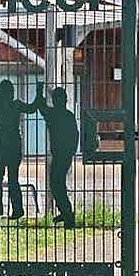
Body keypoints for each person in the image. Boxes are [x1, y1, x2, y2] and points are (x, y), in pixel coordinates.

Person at [0, 59, 43, 220]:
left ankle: (3, 211)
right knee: (9, 180)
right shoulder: (14, 105)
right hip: (12, 146)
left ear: (2, 93)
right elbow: (33, 107)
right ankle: (14, 210)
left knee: (1, 180)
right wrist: (40, 91)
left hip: (6, 147)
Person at [38, 86, 80, 228]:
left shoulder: (54, 114)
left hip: (61, 156)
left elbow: (41, 107)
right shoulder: (68, 115)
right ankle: (66, 212)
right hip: (65, 155)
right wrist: (71, 152)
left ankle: (68, 215)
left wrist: (39, 93)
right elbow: (76, 136)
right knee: (58, 185)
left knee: (56, 186)